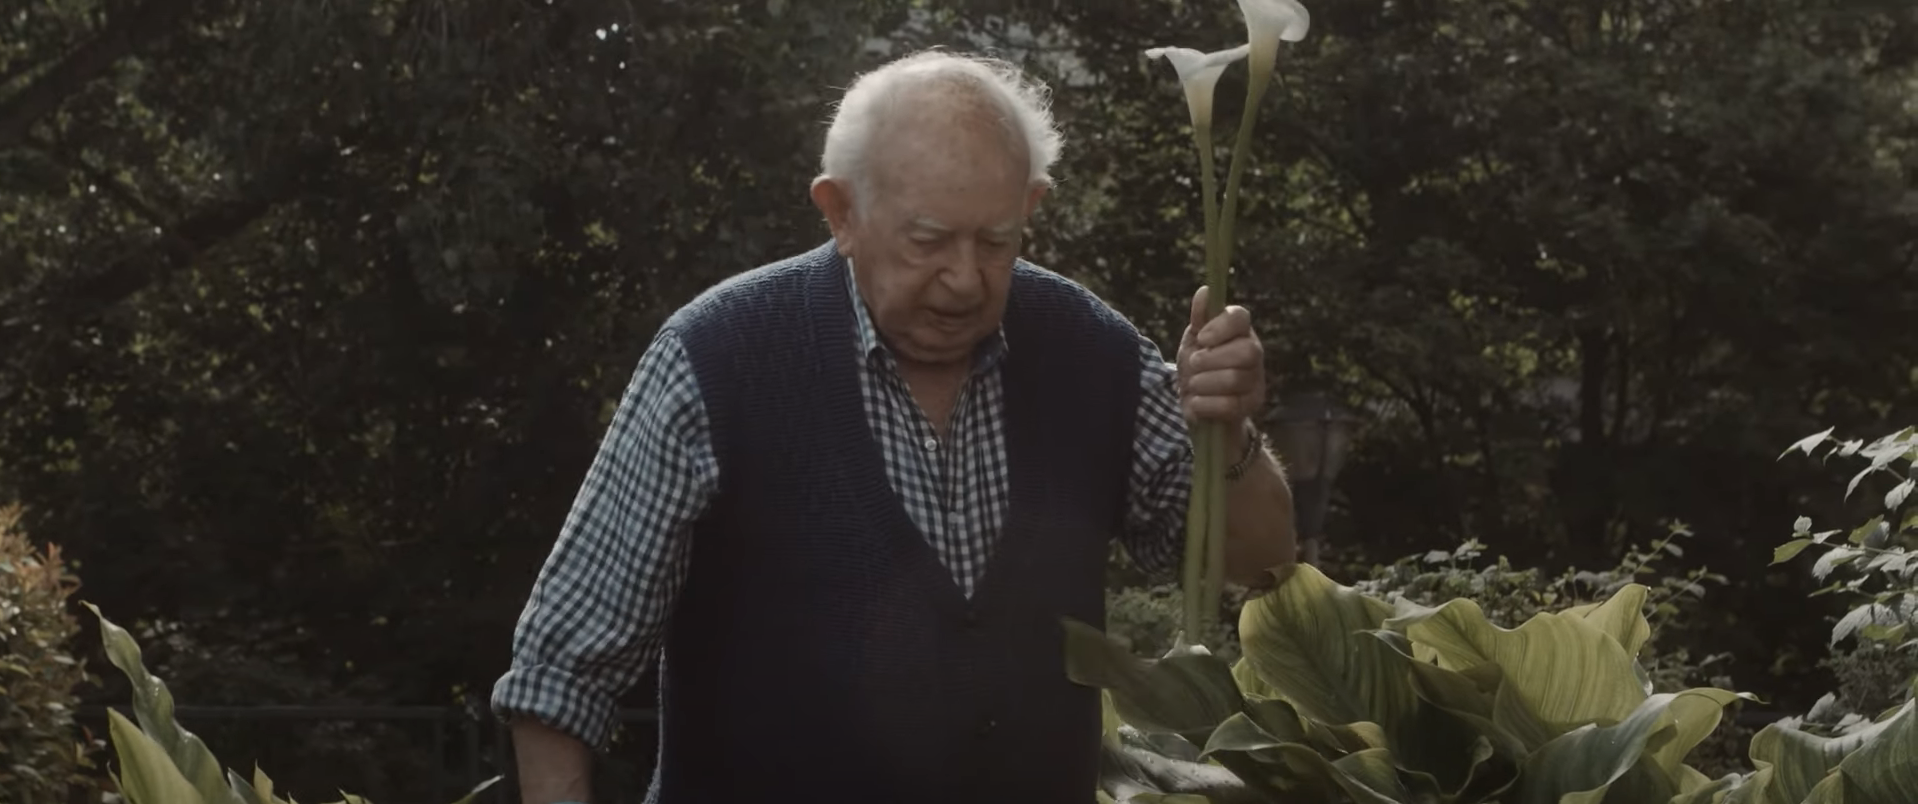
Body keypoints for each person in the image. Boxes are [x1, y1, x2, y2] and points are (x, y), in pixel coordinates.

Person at [491, 48, 1297, 804]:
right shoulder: (715, 360)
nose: (963, 279)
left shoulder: (1092, 351)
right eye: (928, 241)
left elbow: (1255, 565)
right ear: (840, 212)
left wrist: (1230, 432)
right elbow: (560, 675)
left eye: (996, 241)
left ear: (1032, 207)